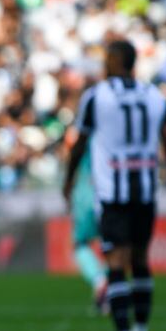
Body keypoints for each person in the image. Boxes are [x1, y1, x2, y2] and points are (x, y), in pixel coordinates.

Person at [63, 40, 166, 331]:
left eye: (106, 57)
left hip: (112, 193)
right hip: (145, 191)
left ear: (115, 60)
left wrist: (68, 180)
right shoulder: (155, 96)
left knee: (116, 262)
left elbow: (80, 142)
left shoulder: (96, 96)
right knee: (140, 259)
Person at [66, 130, 108, 313]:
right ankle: (108, 283)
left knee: (79, 244)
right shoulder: (107, 138)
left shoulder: (80, 137)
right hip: (108, 196)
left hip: (84, 195)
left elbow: (72, 147)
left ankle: (99, 280)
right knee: (114, 246)